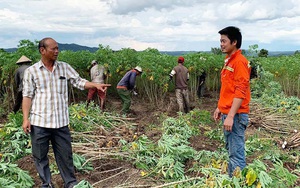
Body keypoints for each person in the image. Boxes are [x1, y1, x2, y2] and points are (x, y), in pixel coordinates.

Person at [22, 37, 111, 188]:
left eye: (58, 48)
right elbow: (27, 95)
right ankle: (46, 184)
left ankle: (70, 183)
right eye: (53, 49)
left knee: (65, 155)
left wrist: (95, 85)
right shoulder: (31, 71)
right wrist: (25, 118)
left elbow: (79, 81)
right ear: (42, 50)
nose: (57, 51)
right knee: (40, 156)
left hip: (61, 122)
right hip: (39, 122)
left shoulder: (64, 67)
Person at [213, 26, 251, 177]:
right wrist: (220, 108)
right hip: (228, 112)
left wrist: (229, 115)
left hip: (235, 116)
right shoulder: (229, 61)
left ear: (234, 42)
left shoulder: (239, 62)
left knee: (236, 155)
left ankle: (238, 183)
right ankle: (233, 180)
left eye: (224, 41)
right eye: (220, 41)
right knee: (231, 150)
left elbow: (240, 91)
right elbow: (228, 89)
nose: (221, 44)